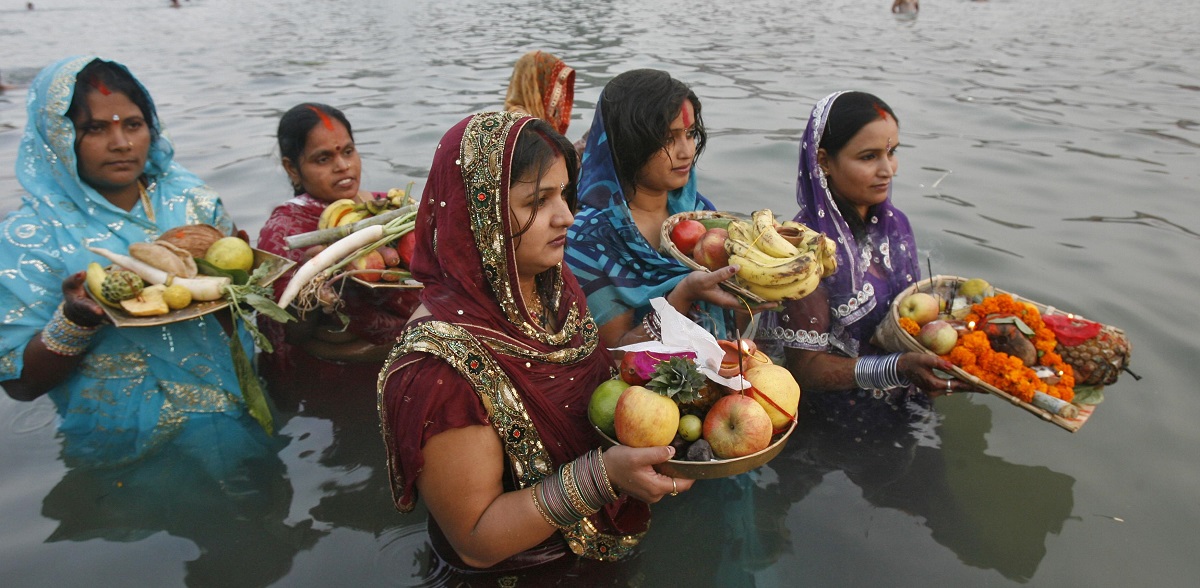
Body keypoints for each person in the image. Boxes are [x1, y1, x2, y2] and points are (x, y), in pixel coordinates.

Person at [379, 111, 688, 573]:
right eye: (536, 201)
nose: (566, 216)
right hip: (522, 573)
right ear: (479, 216)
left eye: (563, 194)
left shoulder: (550, 286)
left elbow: (598, 380)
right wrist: (603, 476)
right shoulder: (438, 367)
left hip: (596, 550)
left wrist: (683, 320)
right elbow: (476, 540)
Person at [0, 56, 271, 465]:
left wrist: (242, 284)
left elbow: (236, 322)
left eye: (132, 124)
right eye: (94, 128)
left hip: (233, 414)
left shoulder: (192, 202)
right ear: (57, 136)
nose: (121, 143)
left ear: (151, 127)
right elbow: (19, 384)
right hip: (120, 442)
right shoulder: (30, 236)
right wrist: (75, 321)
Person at [758, 91, 958, 438]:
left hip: (907, 398)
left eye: (892, 153)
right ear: (823, 161)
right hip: (835, 427)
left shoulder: (895, 224)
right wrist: (895, 369)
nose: (888, 170)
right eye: (869, 157)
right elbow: (804, 370)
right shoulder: (805, 253)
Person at [565, 69, 749, 351]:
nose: (686, 151)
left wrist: (752, 299)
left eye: (689, 134)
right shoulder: (589, 238)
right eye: (668, 138)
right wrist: (683, 295)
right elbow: (614, 354)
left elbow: (726, 326)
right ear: (627, 143)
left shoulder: (699, 214)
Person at [256, 102, 419, 375]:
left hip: (406, 357)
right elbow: (290, 333)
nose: (343, 166)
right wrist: (311, 287)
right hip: (332, 374)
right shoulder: (285, 231)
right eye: (323, 159)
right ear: (292, 168)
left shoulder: (388, 207)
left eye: (348, 151)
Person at [503, 50, 575, 137]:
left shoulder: (533, 116)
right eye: (553, 83)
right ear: (539, 83)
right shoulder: (523, 124)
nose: (560, 95)